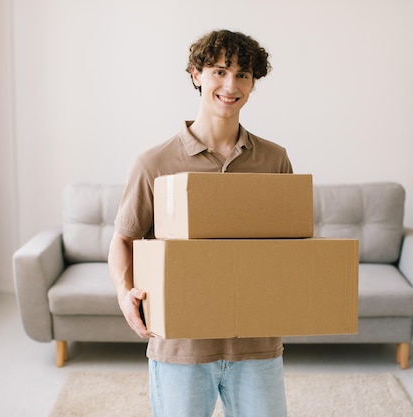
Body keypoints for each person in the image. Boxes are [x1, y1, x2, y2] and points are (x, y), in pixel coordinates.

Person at [108, 29, 292, 417]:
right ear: (196, 74)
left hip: (256, 347)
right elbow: (123, 239)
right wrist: (126, 294)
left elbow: (289, 248)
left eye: (243, 74)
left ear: (253, 83)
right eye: (219, 71)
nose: (231, 84)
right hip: (181, 347)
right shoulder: (153, 163)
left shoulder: (275, 161)